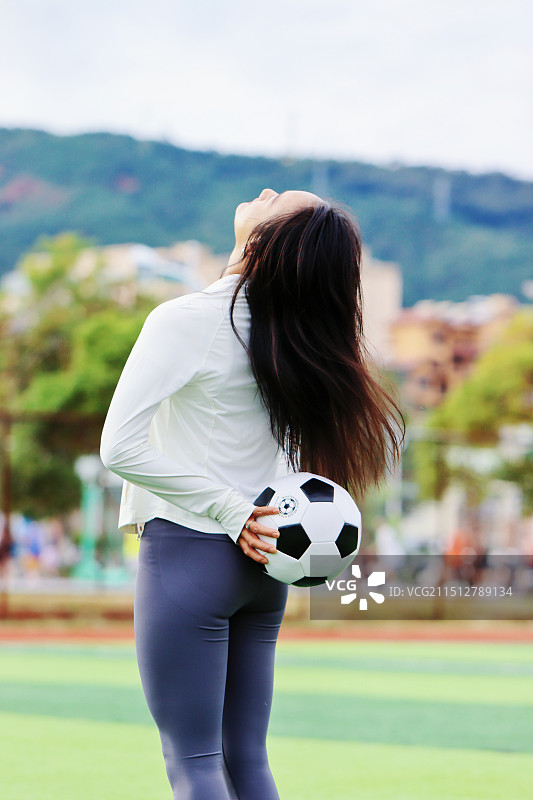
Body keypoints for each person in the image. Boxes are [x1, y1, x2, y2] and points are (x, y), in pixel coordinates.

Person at [100, 187, 405, 799]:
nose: (262, 192)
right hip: (266, 565)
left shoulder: (187, 320)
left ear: (271, 242)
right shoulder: (300, 337)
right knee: (246, 759)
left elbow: (120, 449)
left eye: (278, 200)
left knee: (193, 763)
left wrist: (232, 511)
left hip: (193, 552)